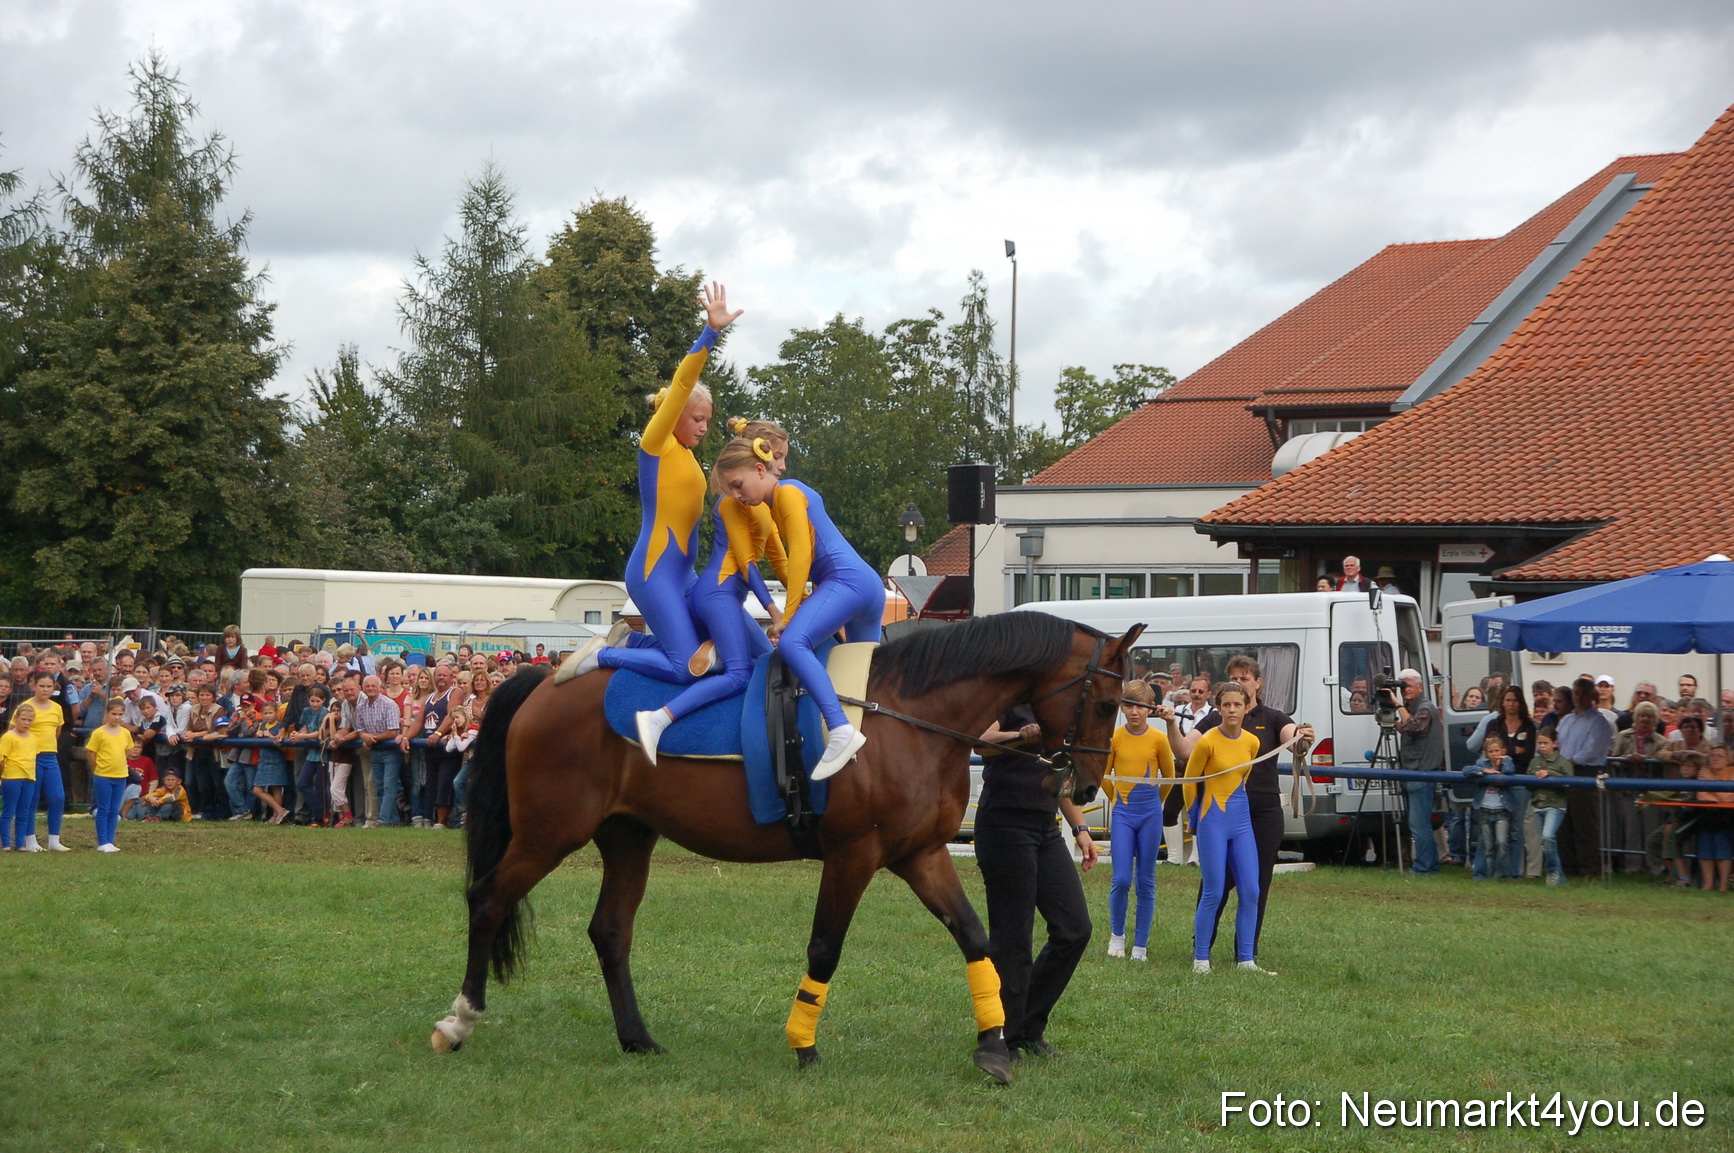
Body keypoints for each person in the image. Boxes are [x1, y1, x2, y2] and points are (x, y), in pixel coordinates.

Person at [573, 283, 742, 686]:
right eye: (697, 418)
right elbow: (683, 383)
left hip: (685, 573)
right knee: (687, 667)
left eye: (707, 419)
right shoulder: (657, 444)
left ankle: (631, 641)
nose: (704, 426)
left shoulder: (687, 457)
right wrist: (710, 333)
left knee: (717, 649)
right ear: (674, 415)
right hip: (653, 574)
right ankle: (605, 654)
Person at [710, 439, 886, 779]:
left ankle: (839, 729)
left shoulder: (787, 493)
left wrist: (788, 618)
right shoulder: (779, 499)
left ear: (760, 470)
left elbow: (802, 556)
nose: (737, 495)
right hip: (863, 584)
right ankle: (875, 747)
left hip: (846, 580)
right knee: (863, 672)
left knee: (792, 644)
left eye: (738, 485)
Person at [634, 432, 790, 764]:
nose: (783, 466)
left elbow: (780, 560)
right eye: (779, 458)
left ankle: (712, 657)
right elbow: (747, 565)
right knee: (740, 674)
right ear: (762, 462)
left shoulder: (766, 504)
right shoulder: (733, 503)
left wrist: (805, 597)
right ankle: (660, 717)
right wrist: (775, 610)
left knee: (770, 663)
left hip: (728, 597)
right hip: (715, 594)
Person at [1164, 655, 1312, 951]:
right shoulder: (1214, 721)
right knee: (1215, 883)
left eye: (1245, 678)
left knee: (1256, 884)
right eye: (1234, 678)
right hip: (1219, 813)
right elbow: (1183, 751)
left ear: (1257, 683)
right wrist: (1170, 724)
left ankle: (1247, 951)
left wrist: (1303, 738)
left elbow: (1293, 739)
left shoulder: (1273, 718)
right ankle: (1202, 946)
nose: (1239, 684)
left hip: (1263, 813)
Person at [973, 707, 1097, 1058]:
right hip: (1004, 824)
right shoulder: (1009, 698)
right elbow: (980, 742)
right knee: (1014, 938)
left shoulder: (1053, 708)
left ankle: (1028, 1023)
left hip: (1045, 826)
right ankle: (1006, 1037)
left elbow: (1059, 778)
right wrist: (1021, 735)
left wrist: (1081, 828)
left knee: (1075, 929)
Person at [1184, 681, 1272, 975]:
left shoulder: (1252, 742)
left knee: (1250, 890)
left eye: (1238, 704)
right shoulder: (1207, 741)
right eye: (1226, 705)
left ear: (1247, 708)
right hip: (1213, 821)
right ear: (1218, 708)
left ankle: (1246, 960)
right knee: (1214, 891)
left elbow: (1242, 780)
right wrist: (1194, 818)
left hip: (1241, 821)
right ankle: (1200, 959)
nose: (1232, 710)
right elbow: (1189, 781)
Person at [1100, 681, 1173, 961]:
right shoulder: (1115, 737)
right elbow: (1104, 775)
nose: (1134, 712)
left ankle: (1140, 944)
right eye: (1129, 706)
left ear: (1150, 709)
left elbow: (1168, 777)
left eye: (1141, 707)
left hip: (1150, 814)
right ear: (1121, 707)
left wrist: (1156, 803)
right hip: (1123, 814)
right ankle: (1117, 936)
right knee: (1120, 879)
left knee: (1146, 880)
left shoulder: (1158, 739)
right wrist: (1117, 799)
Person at [1466, 687, 1536, 876]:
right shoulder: (1494, 723)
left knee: (1514, 831)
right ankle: (1482, 872)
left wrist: (1506, 755)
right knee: (1486, 830)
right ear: (1502, 702)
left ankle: (1512, 873)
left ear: (1520, 703)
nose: (1511, 704)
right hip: (1493, 782)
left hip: (1519, 781)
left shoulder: (1529, 725)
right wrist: (1513, 752)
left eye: (1515, 700)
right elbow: (1487, 750)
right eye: (1508, 700)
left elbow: (1527, 754)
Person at [1393, 668, 1444, 875]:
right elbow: (1408, 729)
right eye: (1402, 686)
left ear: (1420, 686)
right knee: (1419, 824)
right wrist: (1393, 722)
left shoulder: (1424, 708)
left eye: (1408, 686)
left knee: (1418, 825)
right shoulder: (1413, 708)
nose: (1404, 690)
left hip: (1420, 773)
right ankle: (1430, 866)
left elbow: (1414, 728)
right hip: (1413, 772)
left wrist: (1397, 705)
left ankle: (1423, 868)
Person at [1610, 702, 1668, 875]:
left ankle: (1654, 866)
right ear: (1635, 717)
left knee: (1651, 828)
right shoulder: (1623, 736)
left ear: (1655, 720)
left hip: (1652, 791)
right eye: (1642, 715)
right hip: (1628, 789)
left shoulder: (1661, 741)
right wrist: (1626, 759)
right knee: (1631, 829)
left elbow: (1663, 764)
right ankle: (1632, 866)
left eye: (1649, 716)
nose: (1645, 719)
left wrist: (1648, 759)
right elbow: (1613, 759)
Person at [20, 670, 69, 852]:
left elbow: (56, 732)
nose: (45, 689)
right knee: (31, 799)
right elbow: (14, 730)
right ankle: (30, 839)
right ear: (34, 685)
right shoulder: (26, 706)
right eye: (42, 686)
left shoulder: (56, 708)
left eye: (49, 686)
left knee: (58, 797)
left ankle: (54, 839)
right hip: (31, 757)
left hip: (50, 756)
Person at [85, 699, 134, 852]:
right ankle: (103, 841)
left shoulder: (125, 733)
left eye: (120, 714)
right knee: (103, 808)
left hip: (120, 775)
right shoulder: (99, 733)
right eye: (113, 714)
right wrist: (96, 770)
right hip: (103, 775)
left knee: (114, 810)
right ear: (107, 713)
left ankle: (110, 840)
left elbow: (126, 751)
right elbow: (91, 753)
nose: (117, 717)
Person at [1467, 732, 1516, 880]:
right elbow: (1467, 770)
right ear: (1486, 754)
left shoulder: (1508, 762)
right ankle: (1488, 874)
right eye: (1491, 751)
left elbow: (1509, 772)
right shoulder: (1483, 764)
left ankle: (1502, 875)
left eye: (1497, 751)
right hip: (1485, 809)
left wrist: (1504, 761)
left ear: (1503, 751)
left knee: (1501, 843)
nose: (1494, 754)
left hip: (1501, 810)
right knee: (1488, 846)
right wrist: (1484, 771)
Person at [356, 674, 403, 827]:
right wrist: (365, 736)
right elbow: (360, 729)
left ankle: (383, 819)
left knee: (389, 785)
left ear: (380, 688)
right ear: (363, 688)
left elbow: (392, 731)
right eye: (367, 686)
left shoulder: (389, 705)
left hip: (390, 751)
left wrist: (372, 738)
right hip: (375, 751)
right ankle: (392, 819)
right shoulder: (361, 706)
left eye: (373, 686)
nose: (370, 688)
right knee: (379, 785)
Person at [1528, 728, 1574, 886]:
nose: (1542, 746)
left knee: (1548, 836)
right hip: (1538, 804)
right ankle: (1558, 878)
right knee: (1545, 842)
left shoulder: (1562, 762)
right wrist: (1534, 778)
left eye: (1545, 743)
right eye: (1539, 743)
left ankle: (1552, 871)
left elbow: (1570, 783)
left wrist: (1551, 775)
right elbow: (1527, 783)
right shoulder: (1534, 762)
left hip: (1556, 805)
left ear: (1554, 743)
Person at [1693, 744, 1734, 891]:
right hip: (1707, 815)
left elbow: (1729, 797)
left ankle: (1723, 885)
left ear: (1728, 759)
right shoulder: (1704, 771)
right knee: (1705, 839)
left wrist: (1711, 787)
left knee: (1721, 839)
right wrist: (1719, 791)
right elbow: (1701, 795)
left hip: (1729, 817)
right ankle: (1708, 883)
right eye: (1713, 755)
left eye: (1720, 756)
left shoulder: (1732, 772)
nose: (1715, 758)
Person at [292, 685, 331, 827]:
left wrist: (302, 736)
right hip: (311, 754)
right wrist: (298, 734)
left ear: (323, 701)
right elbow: (306, 727)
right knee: (302, 783)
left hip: (322, 755)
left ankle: (320, 818)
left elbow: (321, 733)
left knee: (321, 787)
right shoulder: (306, 711)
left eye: (318, 701)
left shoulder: (325, 712)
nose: (315, 704)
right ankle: (321, 812)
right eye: (312, 701)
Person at [0, 704, 37, 850]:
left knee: (24, 811)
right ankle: (6, 843)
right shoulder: (8, 737)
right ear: (16, 719)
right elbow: (2, 759)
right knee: (9, 810)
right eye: (23, 719)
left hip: (28, 778)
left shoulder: (33, 738)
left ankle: (21, 843)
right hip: (12, 777)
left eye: (30, 720)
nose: (26, 723)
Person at [252, 701, 292, 824]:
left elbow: (284, 747)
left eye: (270, 713)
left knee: (276, 788)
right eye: (265, 713)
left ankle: (277, 815)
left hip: (276, 760)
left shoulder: (280, 727)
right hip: (263, 760)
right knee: (257, 789)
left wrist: (270, 736)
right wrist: (257, 736)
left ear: (276, 713)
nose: (268, 716)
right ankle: (280, 810)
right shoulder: (261, 725)